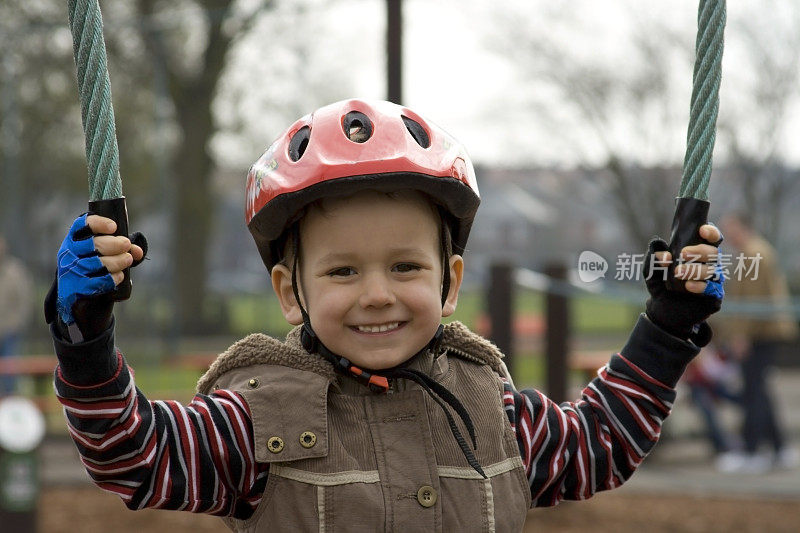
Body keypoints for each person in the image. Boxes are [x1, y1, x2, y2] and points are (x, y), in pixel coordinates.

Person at [47, 100, 725, 531]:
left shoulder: (492, 409)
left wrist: (665, 330)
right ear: (291, 291)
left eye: (405, 267)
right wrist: (86, 340)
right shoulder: (256, 419)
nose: (377, 294)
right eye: (343, 271)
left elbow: (599, 444)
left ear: (449, 280)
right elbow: (134, 455)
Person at [713, 212, 798, 473]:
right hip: (764, 331)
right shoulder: (756, 251)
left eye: (731, 229)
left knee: (753, 391)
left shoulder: (754, 254)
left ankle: (752, 451)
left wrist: (741, 336)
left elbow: (751, 302)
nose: (728, 237)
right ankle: (779, 448)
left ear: (743, 227)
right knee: (759, 389)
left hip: (760, 333)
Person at [0, 235, 33, 395]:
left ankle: (10, 403)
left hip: (9, 332)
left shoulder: (15, 271)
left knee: (10, 371)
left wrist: (17, 323)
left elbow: (25, 299)